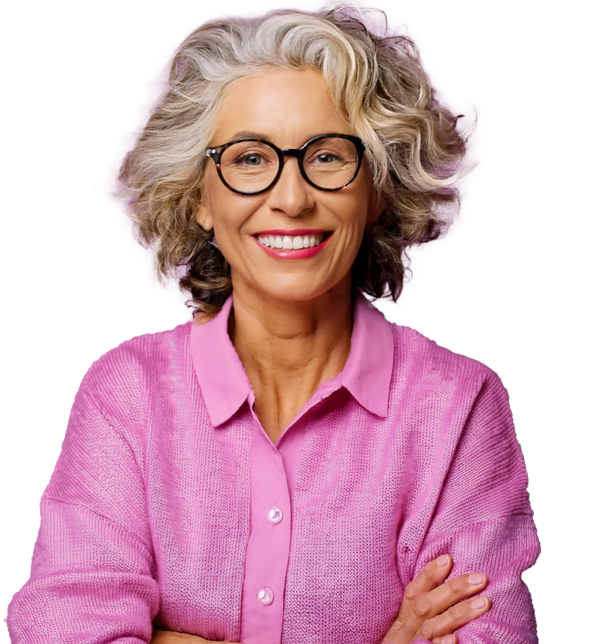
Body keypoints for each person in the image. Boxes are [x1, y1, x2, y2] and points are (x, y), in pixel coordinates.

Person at [5, 1, 540, 643]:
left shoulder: (458, 404)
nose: (291, 199)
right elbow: (61, 633)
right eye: (251, 158)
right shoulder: (124, 393)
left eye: (329, 156)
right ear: (199, 197)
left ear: (377, 191)